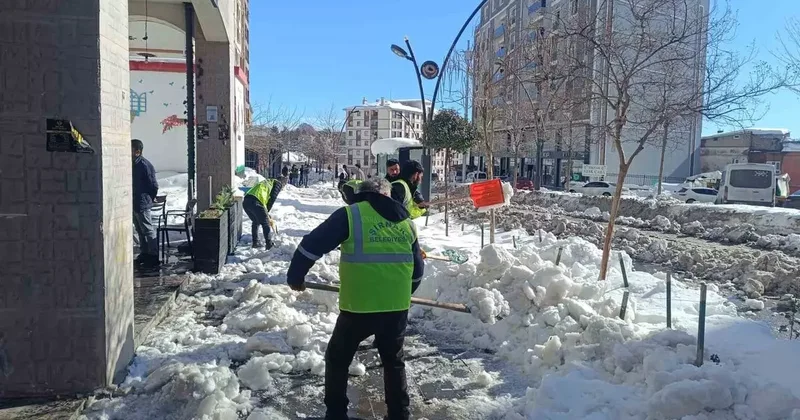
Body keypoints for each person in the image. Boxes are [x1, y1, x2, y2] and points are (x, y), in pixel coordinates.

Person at [286, 178, 424, 420]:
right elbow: (418, 270)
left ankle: (336, 414)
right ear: (387, 195)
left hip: (360, 307)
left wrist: (296, 275)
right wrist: (404, 292)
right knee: (393, 361)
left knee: (338, 359)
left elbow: (312, 244)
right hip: (396, 308)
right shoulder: (406, 222)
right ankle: (399, 414)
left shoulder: (351, 215)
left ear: (362, 194)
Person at [131, 139, 160, 267]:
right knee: (139, 229)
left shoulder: (144, 164)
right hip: (134, 202)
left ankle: (153, 254)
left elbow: (153, 185)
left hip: (142, 202)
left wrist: (149, 197)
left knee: (148, 229)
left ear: (137, 151)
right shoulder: (132, 164)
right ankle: (144, 252)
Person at [243, 177, 285, 249]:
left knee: (256, 221)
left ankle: (255, 242)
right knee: (265, 223)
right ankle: (269, 244)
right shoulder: (277, 184)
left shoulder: (267, 182)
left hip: (246, 201)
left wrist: (265, 212)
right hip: (256, 201)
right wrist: (266, 213)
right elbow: (272, 199)